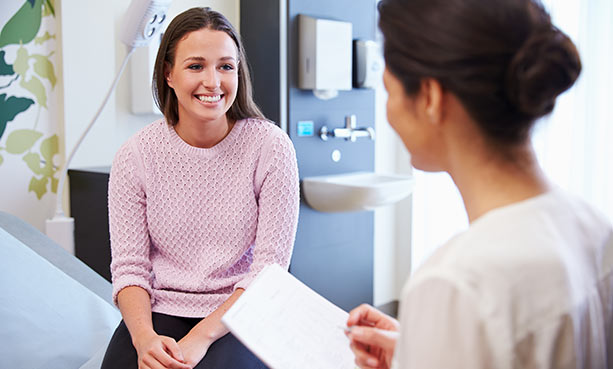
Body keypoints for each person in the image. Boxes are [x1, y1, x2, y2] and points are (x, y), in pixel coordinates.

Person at [346, 0, 613, 368]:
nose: (388, 112)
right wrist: (419, 350)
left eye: (389, 91)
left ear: (430, 97)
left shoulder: (455, 282)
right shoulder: (592, 226)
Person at [101, 7, 299, 369]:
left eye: (226, 66)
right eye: (196, 66)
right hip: (160, 310)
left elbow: (269, 271)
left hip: (241, 310)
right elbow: (130, 268)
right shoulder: (135, 156)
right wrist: (144, 338)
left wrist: (199, 339)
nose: (213, 82)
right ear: (168, 74)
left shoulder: (271, 148)